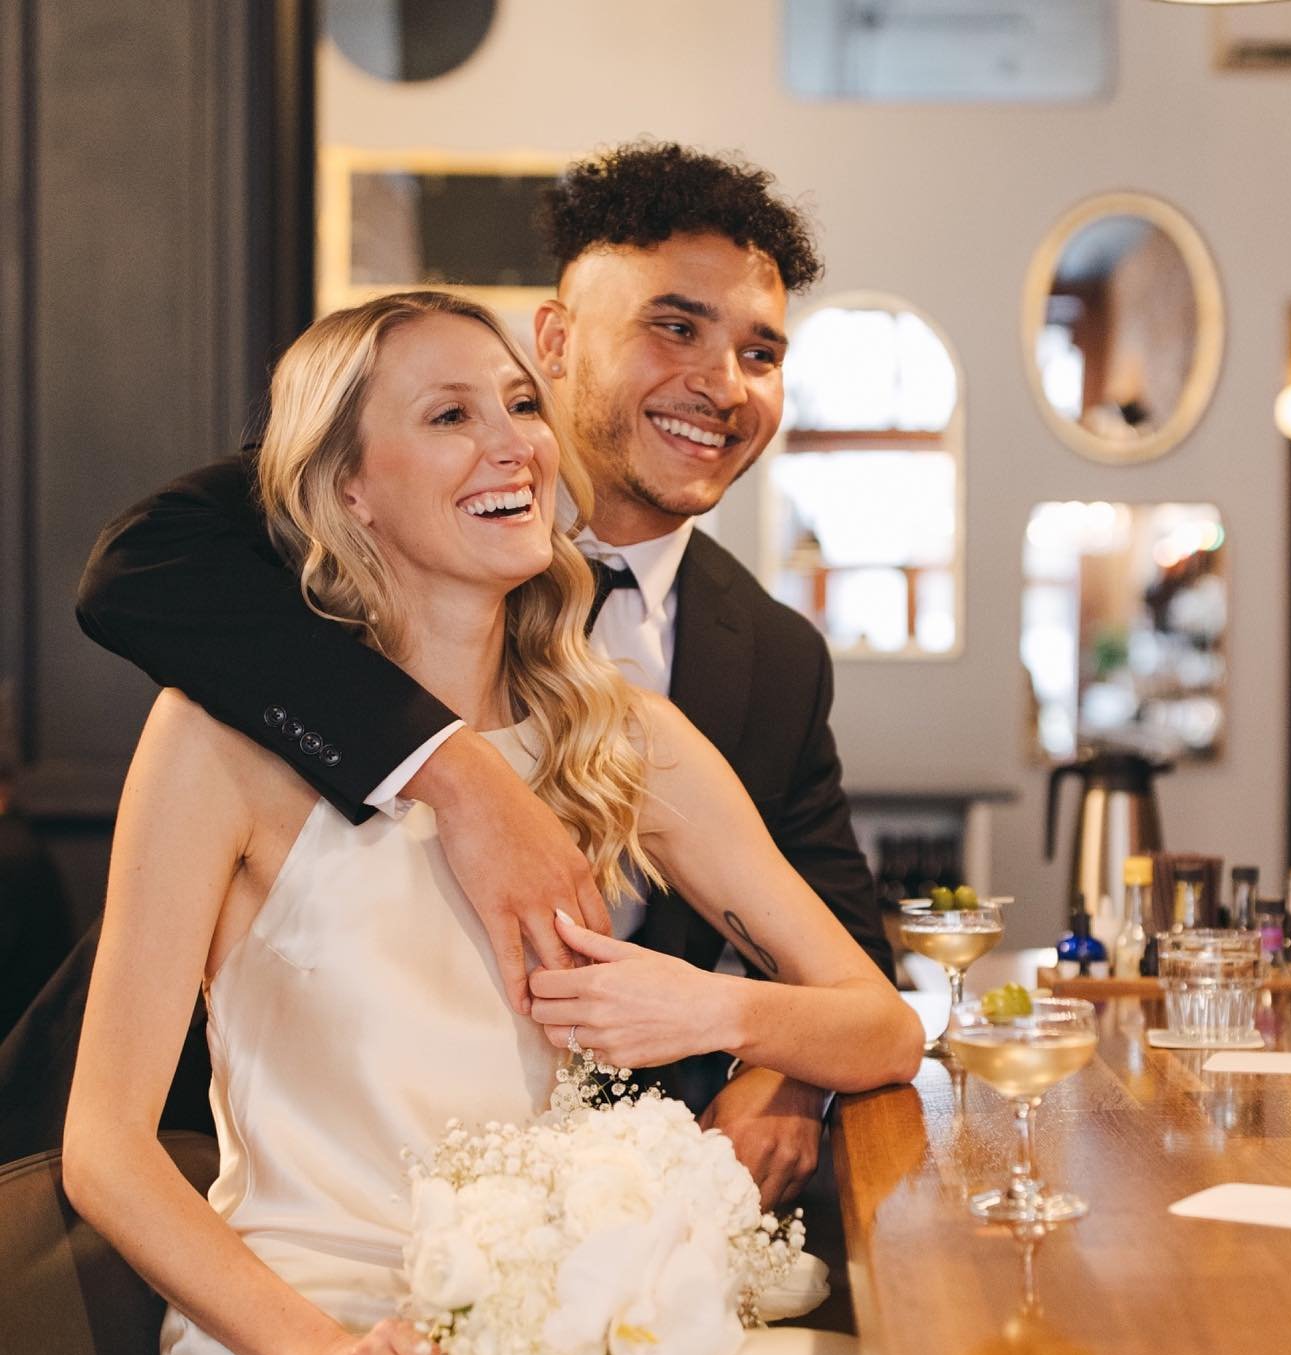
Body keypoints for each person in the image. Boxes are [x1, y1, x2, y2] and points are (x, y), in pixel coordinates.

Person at [62, 291, 922, 1355]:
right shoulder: (216, 744)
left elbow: (880, 1020)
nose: (511, 440)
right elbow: (106, 1150)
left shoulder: (618, 736)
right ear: (345, 490)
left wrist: (707, 1011)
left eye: (519, 403)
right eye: (447, 415)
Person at [74, 141, 892, 1211]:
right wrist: (459, 774)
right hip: (263, 1156)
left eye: (761, 352)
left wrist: (782, 1069)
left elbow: (844, 950)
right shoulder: (331, 504)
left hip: (599, 1198)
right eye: (675, 326)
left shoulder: (774, 658)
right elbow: (129, 573)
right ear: (555, 340)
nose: (720, 384)